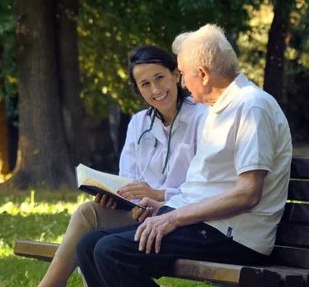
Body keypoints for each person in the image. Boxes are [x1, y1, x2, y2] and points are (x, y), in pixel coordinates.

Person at [75, 24, 293, 287]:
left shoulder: (252, 107)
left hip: (234, 235)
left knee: (111, 251)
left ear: (202, 74)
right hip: (206, 225)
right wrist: (166, 207)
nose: (182, 82)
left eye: (183, 74)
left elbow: (248, 193)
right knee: (89, 244)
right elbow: (208, 186)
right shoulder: (220, 109)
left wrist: (173, 217)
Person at [37, 45, 206, 287]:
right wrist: (117, 198)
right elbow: (128, 180)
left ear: (176, 75)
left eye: (160, 78)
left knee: (96, 244)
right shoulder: (139, 123)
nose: (156, 89)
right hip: (140, 214)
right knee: (88, 212)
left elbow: (205, 188)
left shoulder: (203, 118)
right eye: (145, 84)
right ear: (138, 89)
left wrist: (158, 196)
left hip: (179, 218)